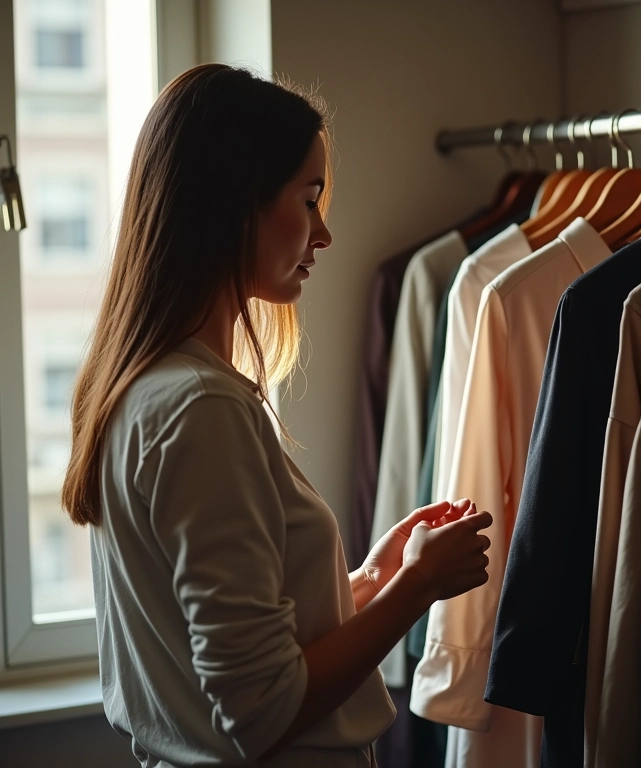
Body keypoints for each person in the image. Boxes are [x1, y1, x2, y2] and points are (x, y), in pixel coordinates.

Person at [62, 63, 491, 768]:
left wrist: (365, 583)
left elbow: (228, 646)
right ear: (237, 207)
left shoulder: (143, 391)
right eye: (309, 198)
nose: (324, 233)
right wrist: (418, 588)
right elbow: (262, 712)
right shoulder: (200, 412)